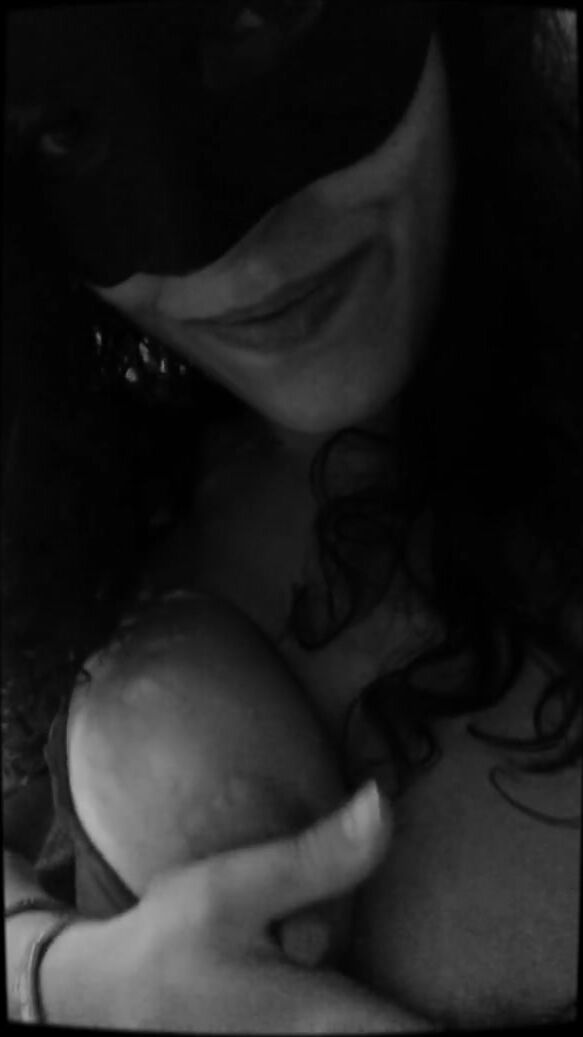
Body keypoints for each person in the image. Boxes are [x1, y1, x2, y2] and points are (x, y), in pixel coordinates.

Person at [2, 1, 581, 1031]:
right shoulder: (102, 527)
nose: (228, 256)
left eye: (254, 18)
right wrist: (59, 973)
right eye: (62, 129)